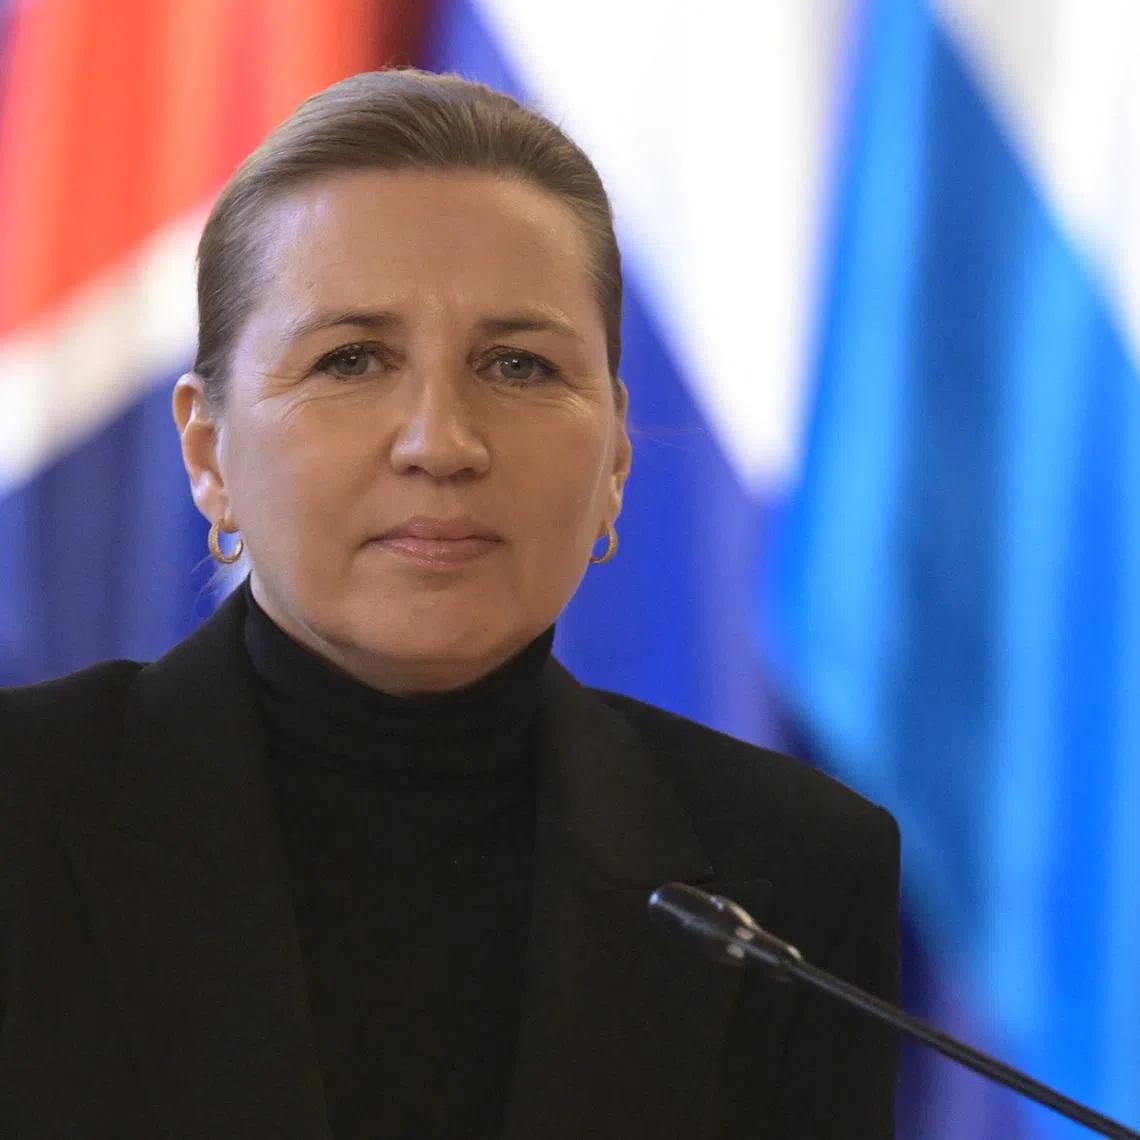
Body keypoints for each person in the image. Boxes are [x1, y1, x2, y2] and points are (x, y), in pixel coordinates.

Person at [0, 70, 900, 1139]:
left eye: (517, 365)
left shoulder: (792, 871)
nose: (441, 443)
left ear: (614, 452)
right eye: (352, 359)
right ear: (208, 451)